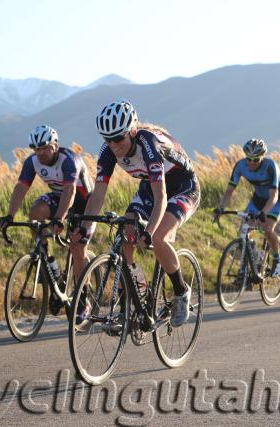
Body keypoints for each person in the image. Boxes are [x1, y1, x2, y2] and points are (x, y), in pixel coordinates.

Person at [73, 99, 200, 327]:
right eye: (107, 139)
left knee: (159, 237)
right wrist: (85, 227)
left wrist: (149, 231)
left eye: (118, 138)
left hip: (182, 187)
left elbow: (161, 198)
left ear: (131, 131)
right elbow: (98, 194)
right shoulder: (108, 151)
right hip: (150, 188)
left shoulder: (149, 145)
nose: (113, 144)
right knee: (125, 238)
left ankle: (181, 291)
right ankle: (133, 296)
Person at [0, 125, 94, 314]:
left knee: (77, 247)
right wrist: (9, 216)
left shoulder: (69, 160)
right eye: (36, 149)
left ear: (55, 145)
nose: (40, 152)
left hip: (82, 202)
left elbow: (70, 191)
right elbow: (21, 187)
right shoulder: (32, 162)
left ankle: (83, 298)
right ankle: (50, 263)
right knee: (35, 213)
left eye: (44, 147)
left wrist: (58, 219)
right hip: (59, 196)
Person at [213, 138, 280, 277]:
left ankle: (278, 259)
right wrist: (221, 208)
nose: (251, 162)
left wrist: (263, 213)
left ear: (262, 157)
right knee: (244, 229)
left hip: (278, 199)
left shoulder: (270, 166)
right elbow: (229, 191)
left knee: (266, 229)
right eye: (249, 158)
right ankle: (248, 265)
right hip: (258, 198)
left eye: (256, 159)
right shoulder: (240, 166)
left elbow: (274, 196)